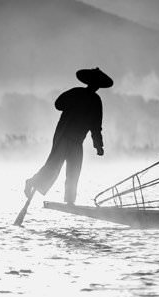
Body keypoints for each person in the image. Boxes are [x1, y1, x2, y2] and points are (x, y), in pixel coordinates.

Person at [24, 67, 113, 204]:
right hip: (63, 136)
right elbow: (58, 104)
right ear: (90, 82)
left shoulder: (96, 101)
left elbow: (96, 127)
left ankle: (70, 201)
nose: (95, 86)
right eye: (94, 83)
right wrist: (72, 105)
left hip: (77, 142)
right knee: (53, 166)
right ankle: (31, 182)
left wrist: (98, 146)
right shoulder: (76, 93)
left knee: (74, 171)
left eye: (97, 84)